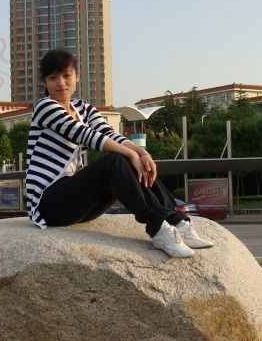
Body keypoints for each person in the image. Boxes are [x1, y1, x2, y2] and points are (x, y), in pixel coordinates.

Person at [26, 49, 214, 258]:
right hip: (48, 203)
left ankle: (177, 222)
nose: (61, 83)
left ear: (77, 76)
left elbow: (109, 134)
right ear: (45, 82)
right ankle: (158, 229)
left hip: (77, 206)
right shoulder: (45, 107)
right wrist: (132, 155)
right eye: (53, 78)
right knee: (116, 160)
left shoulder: (84, 109)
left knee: (126, 158)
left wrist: (141, 154)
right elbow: (86, 135)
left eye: (66, 75)